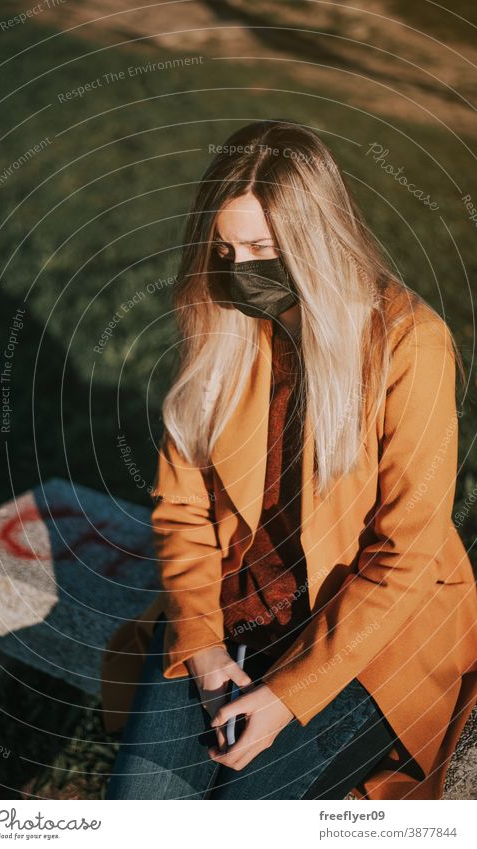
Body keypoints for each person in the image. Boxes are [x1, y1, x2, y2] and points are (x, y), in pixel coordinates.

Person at [104, 120, 477, 800]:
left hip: (371, 641)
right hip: (237, 618)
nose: (241, 270)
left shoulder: (410, 344)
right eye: (225, 249)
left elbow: (406, 552)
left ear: (317, 239)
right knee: (140, 811)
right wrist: (203, 644)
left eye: (262, 248)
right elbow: (184, 505)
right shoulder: (222, 322)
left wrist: (287, 694)